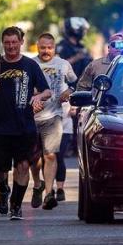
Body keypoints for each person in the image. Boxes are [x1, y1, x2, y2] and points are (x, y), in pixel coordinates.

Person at [0, 26, 51, 220]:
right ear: (3, 44)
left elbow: (47, 91)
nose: (11, 46)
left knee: (23, 166)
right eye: (7, 43)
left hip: (24, 126)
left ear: (21, 42)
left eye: (14, 42)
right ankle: (3, 188)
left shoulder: (30, 65)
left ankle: (16, 205)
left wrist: (38, 99)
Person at [29, 33, 76, 210]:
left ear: (54, 48)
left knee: (50, 154)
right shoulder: (30, 64)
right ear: (37, 47)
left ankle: (49, 194)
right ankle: (37, 184)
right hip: (32, 117)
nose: (46, 51)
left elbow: (76, 82)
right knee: (34, 159)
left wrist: (69, 92)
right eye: (43, 47)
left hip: (54, 115)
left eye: (49, 47)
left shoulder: (63, 64)